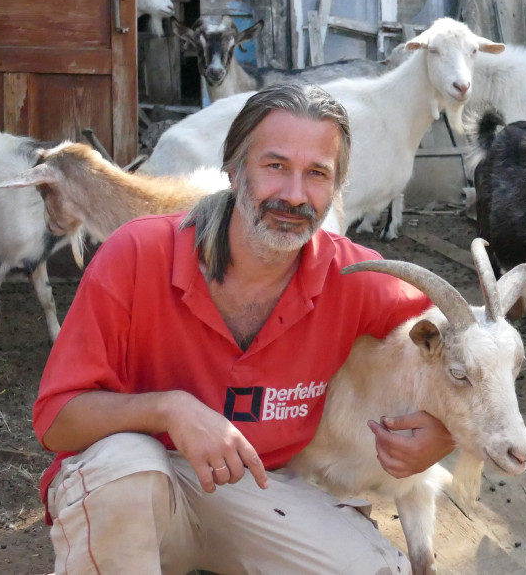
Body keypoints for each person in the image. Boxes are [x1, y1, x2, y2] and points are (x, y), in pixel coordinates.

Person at [33, 83, 456, 574]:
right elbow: (56, 419)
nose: (294, 196)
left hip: (252, 488)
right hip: (139, 483)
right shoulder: (136, 253)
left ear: (336, 189)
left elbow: (471, 338)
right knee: (125, 467)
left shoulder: (354, 276)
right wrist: (168, 409)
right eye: (275, 166)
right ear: (233, 171)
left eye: (316, 174)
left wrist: (444, 436)